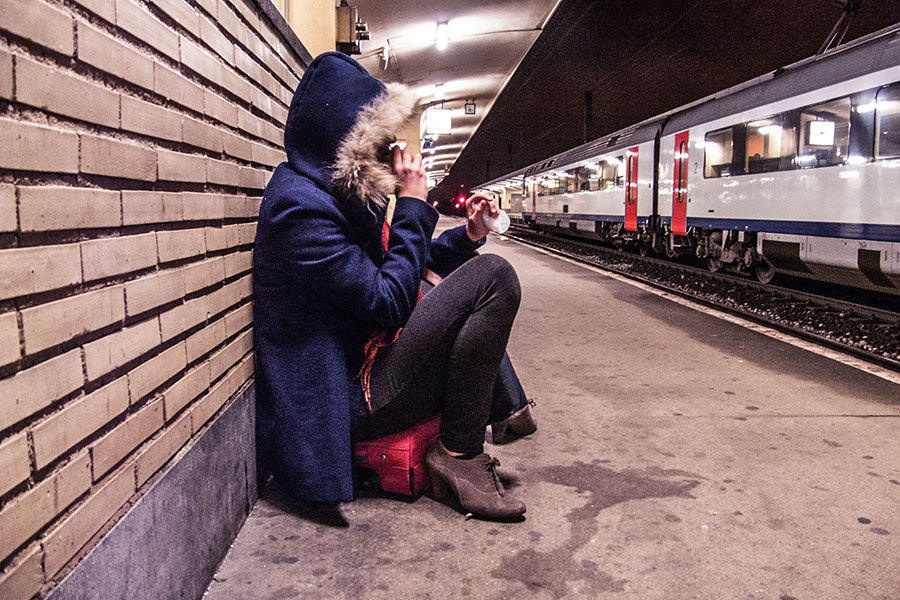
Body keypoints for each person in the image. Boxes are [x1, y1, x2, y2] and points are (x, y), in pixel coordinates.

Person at [253, 52, 530, 519]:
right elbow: (387, 300)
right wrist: (412, 205)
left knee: (465, 278)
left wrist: (469, 234)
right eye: (381, 142)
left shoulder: (328, 196)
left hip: (368, 364)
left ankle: (483, 427)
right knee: (494, 277)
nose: (390, 152)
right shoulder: (299, 211)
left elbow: (402, 260)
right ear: (347, 142)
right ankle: (458, 457)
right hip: (345, 404)